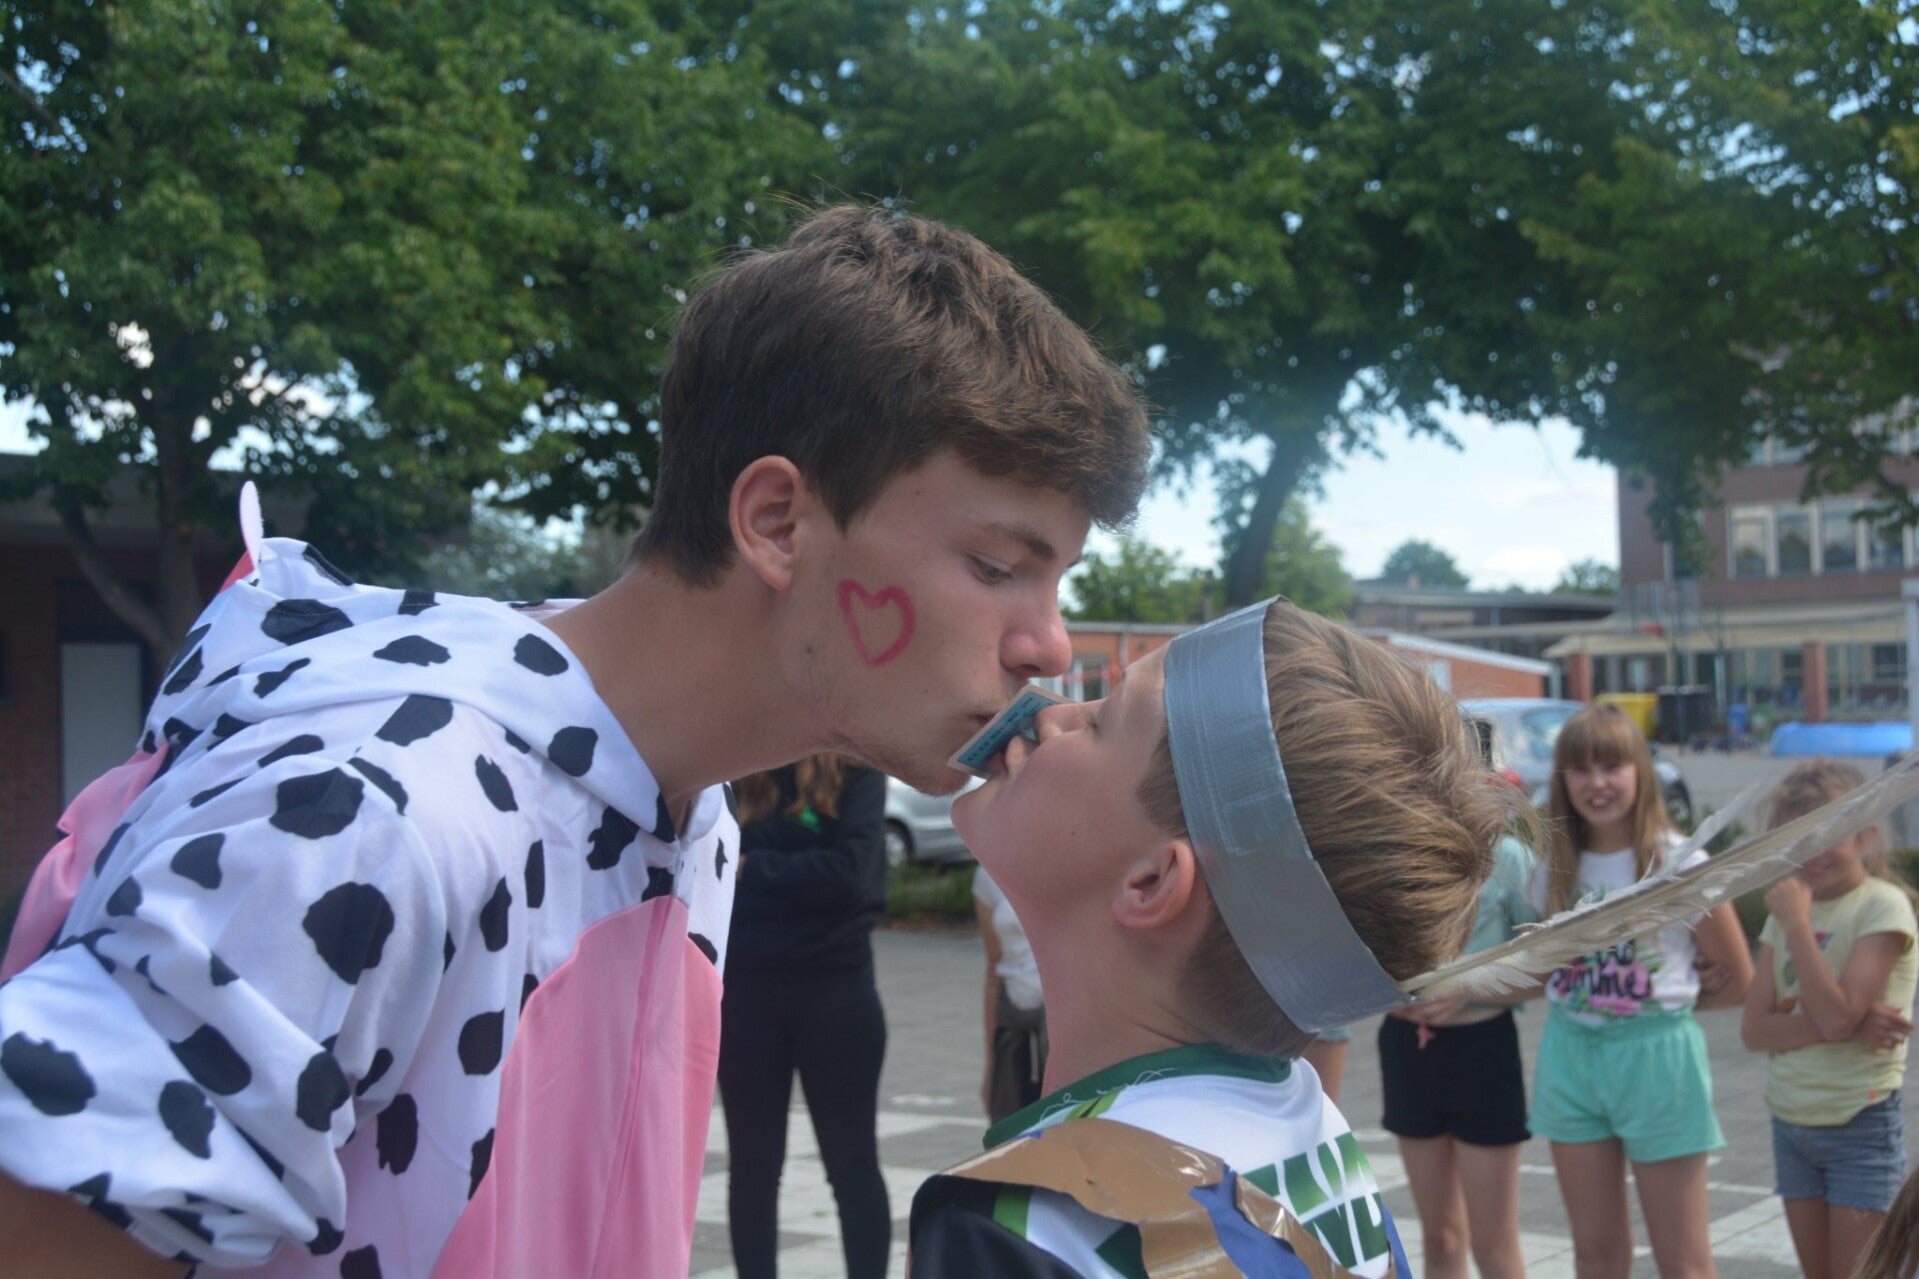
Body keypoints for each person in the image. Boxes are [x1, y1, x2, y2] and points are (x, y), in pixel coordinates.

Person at [0, 206, 1152, 1278]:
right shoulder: (368, 815)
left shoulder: (687, 808)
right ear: (775, 522)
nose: (1047, 644)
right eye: (995, 566)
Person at [908, 597, 1517, 1278]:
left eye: (1100, 721)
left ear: (1150, 881)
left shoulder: (1025, 1225)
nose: (1051, 714)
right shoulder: (1313, 1132)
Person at [1527, 703, 1753, 1279]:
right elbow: (1542, 973)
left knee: (1684, 1261)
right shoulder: (1552, 868)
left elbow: (1739, 981)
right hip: (1570, 1056)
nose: (1597, 783)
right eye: (1581, 769)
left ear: (1640, 772)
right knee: (1595, 1255)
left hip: (1658, 1060)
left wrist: (1671, 995)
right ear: (1562, 780)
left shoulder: (1678, 861)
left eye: (1612, 766)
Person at [1741, 759, 1919, 1279]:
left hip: (1857, 1121)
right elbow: (1754, 1030)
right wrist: (1850, 1026)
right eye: (1799, 837)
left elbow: (1838, 1016)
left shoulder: (1881, 906)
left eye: (1827, 834)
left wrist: (1798, 927)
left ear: (1865, 834)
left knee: (1861, 1273)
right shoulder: (1784, 913)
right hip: (1791, 1121)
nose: (1813, 851)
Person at [719, 755, 892, 1279]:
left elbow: (852, 876)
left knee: (852, 1166)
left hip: (836, 991)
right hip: (746, 995)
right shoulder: (735, 768)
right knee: (752, 1169)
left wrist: (753, 867)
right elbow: (712, 865)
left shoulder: (857, 772)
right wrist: (801, 871)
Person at [1378, 829, 1539, 1279]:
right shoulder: (1387, 842)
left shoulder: (1507, 855)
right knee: (1440, 1239)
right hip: (1407, 1048)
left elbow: (1545, 966)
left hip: (1481, 1049)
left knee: (1494, 1247)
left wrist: (1470, 988)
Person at [974, 863, 1047, 1123]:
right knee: (1008, 1127)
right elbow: (994, 971)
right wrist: (991, 1067)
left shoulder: (1072, 858)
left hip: (1065, 1027)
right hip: (1013, 1021)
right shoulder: (987, 872)